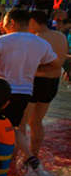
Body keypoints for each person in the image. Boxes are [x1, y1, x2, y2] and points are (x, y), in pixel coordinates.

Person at [0, 8, 59, 173]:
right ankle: (20, 160)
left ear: (12, 22)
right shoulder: (40, 43)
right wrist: (33, 69)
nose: (2, 26)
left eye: (4, 23)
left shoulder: (2, 40)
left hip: (2, 90)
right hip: (25, 92)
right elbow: (55, 65)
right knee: (14, 127)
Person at [27, 10, 68, 160]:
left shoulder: (37, 38)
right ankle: (34, 154)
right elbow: (61, 61)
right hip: (53, 82)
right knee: (37, 121)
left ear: (33, 22)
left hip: (37, 81)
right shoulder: (61, 36)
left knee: (24, 122)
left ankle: (20, 156)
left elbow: (31, 63)